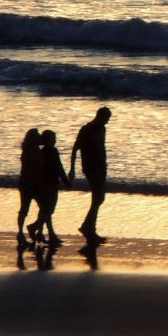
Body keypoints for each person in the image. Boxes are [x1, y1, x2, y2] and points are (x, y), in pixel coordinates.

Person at [70, 106, 111, 247]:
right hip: (90, 166)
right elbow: (75, 148)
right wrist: (72, 169)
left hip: (100, 166)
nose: (107, 122)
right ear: (100, 116)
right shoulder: (86, 130)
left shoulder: (102, 129)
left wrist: (105, 165)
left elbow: (102, 148)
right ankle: (89, 229)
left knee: (99, 197)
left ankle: (88, 226)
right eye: (106, 119)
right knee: (98, 197)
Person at [30, 128, 70, 247]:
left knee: (45, 209)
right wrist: (65, 180)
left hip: (44, 183)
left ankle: (41, 232)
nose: (55, 141)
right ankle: (40, 230)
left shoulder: (42, 152)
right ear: (49, 140)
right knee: (48, 209)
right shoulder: (52, 151)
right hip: (50, 183)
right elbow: (59, 167)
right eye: (53, 139)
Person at [16, 128, 42, 243]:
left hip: (30, 183)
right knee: (24, 209)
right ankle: (21, 233)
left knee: (43, 209)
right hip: (28, 184)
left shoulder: (34, 150)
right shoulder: (29, 152)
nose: (39, 137)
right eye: (37, 136)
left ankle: (35, 230)